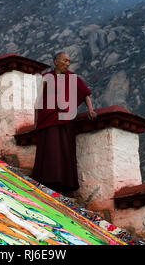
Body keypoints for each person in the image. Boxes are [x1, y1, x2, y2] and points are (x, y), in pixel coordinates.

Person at [32, 52, 97, 194]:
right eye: (65, 61)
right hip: (47, 119)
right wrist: (36, 119)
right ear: (56, 61)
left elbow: (85, 93)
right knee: (49, 150)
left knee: (64, 151)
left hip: (65, 119)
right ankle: (44, 181)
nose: (67, 63)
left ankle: (64, 184)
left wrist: (90, 109)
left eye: (69, 61)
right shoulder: (46, 78)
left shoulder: (72, 78)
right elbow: (39, 99)